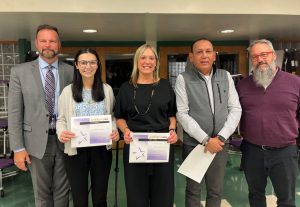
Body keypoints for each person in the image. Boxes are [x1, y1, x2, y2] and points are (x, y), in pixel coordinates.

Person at [8, 24, 73, 207]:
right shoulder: (19, 72)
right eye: (43, 40)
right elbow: (14, 113)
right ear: (37, 43)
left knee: (63, 193)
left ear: (58, 44)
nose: (48, 45)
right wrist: (18, 148)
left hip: (65, 139)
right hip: (34, 143)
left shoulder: (71, 72)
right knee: (42, 195)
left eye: (52, 41)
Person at [175, 38, 242, 207]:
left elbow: (235, 109)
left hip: (220, 144)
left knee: (216, 190)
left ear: (214, 55)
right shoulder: (183, 79)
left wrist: (220, 137)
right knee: (193, 191)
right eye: (199, 52)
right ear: (191, 57)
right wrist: (205, 139)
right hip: (194, 145)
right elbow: (182, 114)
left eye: (208, 51)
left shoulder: (225, 76)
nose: (204, 55)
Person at [237, 39, 300, 207]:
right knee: (255, 195)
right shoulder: (242, 86)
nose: (260, 59)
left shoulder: (295, 83)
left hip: (285, 152)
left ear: (273, 55)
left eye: (264, 54)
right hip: (252, 151)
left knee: (286, 199)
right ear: (251, 60)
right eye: (255, 56)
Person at [114, 44, 177, 207]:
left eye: (151, 58)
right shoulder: (126, 88)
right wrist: (125, 130)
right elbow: (119, 117)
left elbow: (171, 115)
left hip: (161, 146)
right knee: (136, 197)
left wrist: (172, 130)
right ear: (137, 61)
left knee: (163, 196)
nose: (147, 61)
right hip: (135, 147)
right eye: (143, 57)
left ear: (156, 62)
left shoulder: (165, 86)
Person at [56, 48, 119, 207]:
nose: (88, 66)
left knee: (100, 198)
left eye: (92, 62)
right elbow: (61, 119)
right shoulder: (67, 92)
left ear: (98, 65)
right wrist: (61, 132)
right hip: (76, 151)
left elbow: (112, 117)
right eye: (83, 62)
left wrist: (114, 130)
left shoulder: (107, 90)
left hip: (101, 151)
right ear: (76, 65)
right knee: (79, 198)